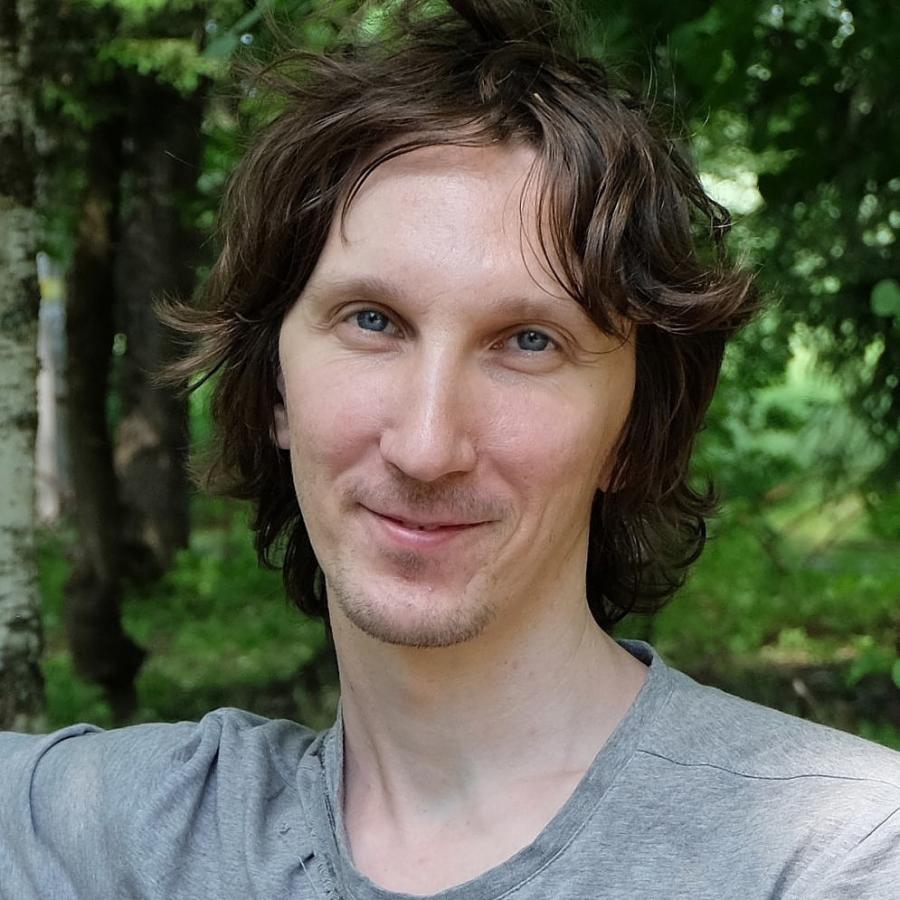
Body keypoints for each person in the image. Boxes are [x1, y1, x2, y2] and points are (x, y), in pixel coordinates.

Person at [2, 1, 898, 897]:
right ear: (273, 384)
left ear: (636, 428)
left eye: (529, 342)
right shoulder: (110, 838)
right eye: (373, 321)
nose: (427, 448)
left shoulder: (833, 858)